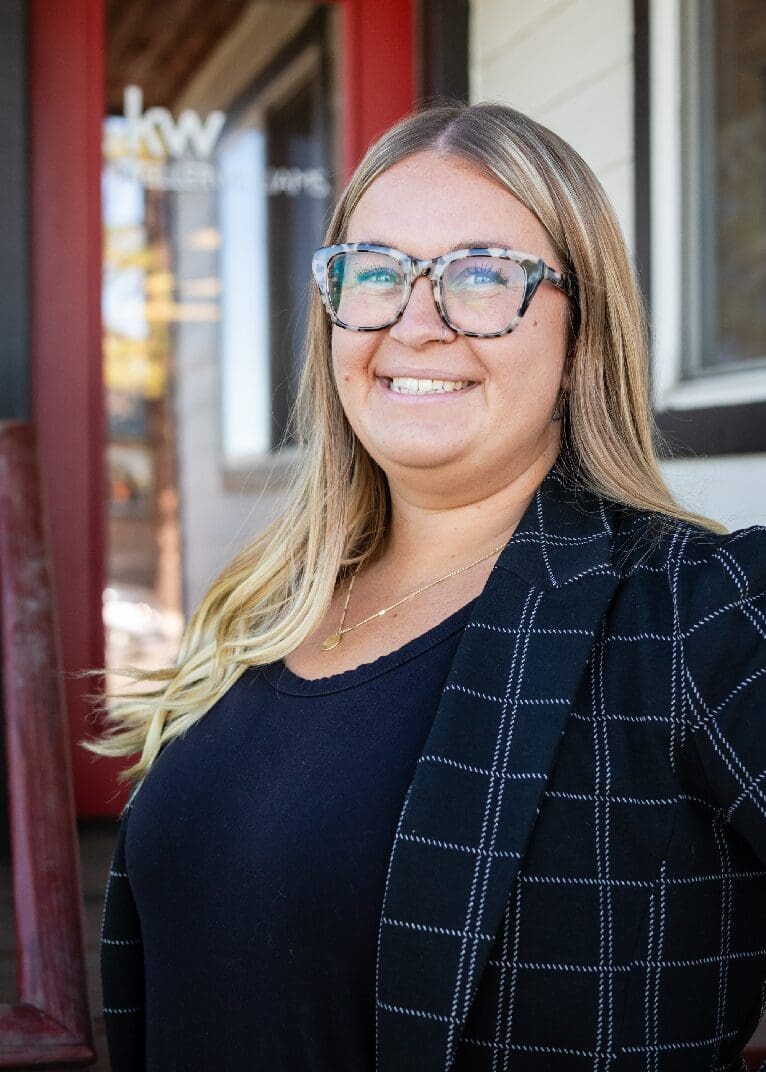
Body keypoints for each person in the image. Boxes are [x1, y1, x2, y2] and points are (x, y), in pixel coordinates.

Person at [85, 101, 766, 1072]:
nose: (415, 323)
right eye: (376, 274)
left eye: (481, 277)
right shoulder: (261, 605)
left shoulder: (691, 611)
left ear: (582, 340)